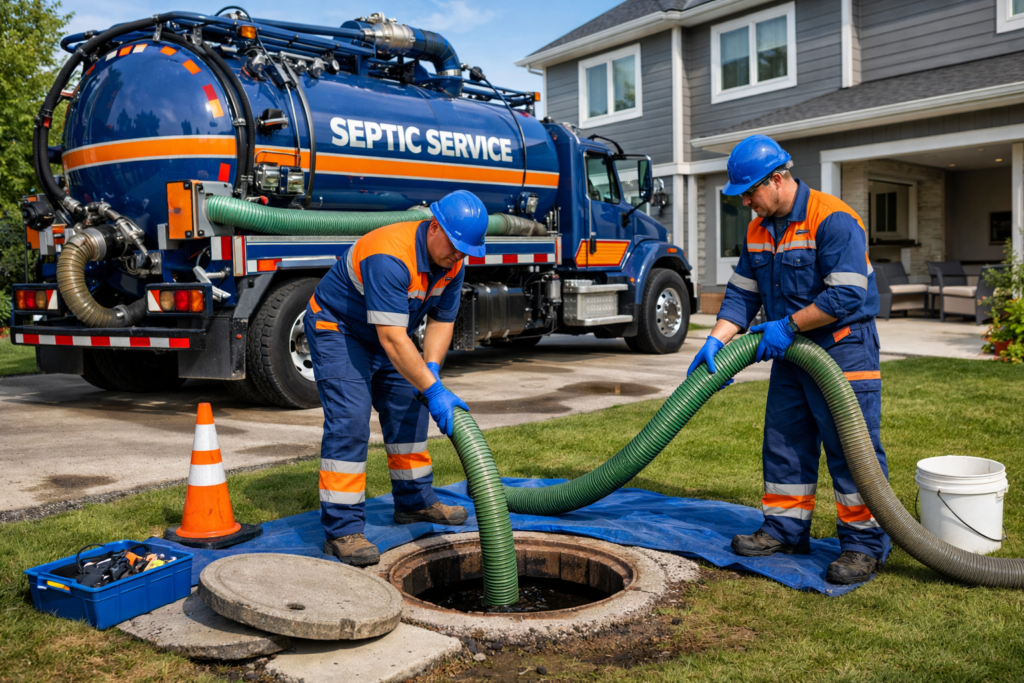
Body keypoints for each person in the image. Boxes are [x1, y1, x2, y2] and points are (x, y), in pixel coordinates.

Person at [688, 135, 889, 585]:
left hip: (842, 348)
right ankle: (784, 529)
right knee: (784, 443)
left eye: (749, 192)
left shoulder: (832, 219)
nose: (745, 202)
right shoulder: (758, 230)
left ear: (777, 179)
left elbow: (846, 292)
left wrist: (786, 327)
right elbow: (742, 294)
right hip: (791, 353)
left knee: (850, 450)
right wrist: (717, 340)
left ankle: (862, 546)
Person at [304, 190, 487, 566]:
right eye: (455, 246)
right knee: (351, 423)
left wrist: (431, 369)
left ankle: (414, 503)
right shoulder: (390, 254)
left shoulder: (453, 262)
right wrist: (435, 391)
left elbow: (442, 320)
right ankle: (343, 530)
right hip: (340, 331)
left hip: (391, 334)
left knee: (409, 412)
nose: (459, 255)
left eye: (466, 250)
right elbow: (391, 337)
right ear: (434, 226)